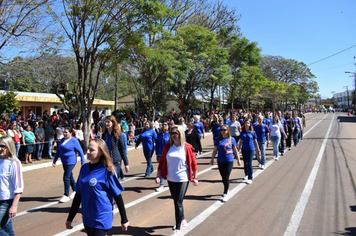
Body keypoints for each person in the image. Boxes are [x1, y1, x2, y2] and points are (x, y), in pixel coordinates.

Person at [65, 139, 129, 235]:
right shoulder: (84, 169)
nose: (87, 152)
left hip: (101, 218)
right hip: (87, 218)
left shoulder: (107, 171)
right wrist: (70, 218)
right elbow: (78, 195)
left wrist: (124, 219)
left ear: (100, 153)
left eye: (92, 150)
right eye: (88, 149)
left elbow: (117, 196)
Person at [156, 125, 198, 236]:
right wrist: (158, 175)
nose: (173, 135)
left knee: (178, 202)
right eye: (171, 133)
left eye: (175, 133)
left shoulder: (187, 147)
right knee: (176, 200)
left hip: (183, 178)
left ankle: (178, 228)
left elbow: (193, 164)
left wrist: (195, 177)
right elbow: (161, 162)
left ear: (180, 134)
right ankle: (182, 219)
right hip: (171, 178)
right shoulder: (167, 147)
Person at [53, 127, 85, 203]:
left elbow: (80, 151)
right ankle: (75, 190)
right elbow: (58, 151)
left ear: (70, 133)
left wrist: (82, 161)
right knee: (70, 176)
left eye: (66, 132)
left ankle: (66, 195)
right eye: (64, 132)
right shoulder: (62, 140)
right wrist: (55, 160)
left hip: (71, 161)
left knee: (66, 177)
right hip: (64, 161)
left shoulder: (74, 140)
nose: (65, 134)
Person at [0, 136, 24, 235]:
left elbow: (19, 187)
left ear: (10, 147)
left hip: (7, 201)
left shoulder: (14, 163)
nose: (0, 148)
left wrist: (14, 206)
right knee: (6, 227)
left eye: (3, 146)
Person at [210, 125, 241, 202]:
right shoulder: (218, 140)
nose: (222, 131)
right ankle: (227, 188)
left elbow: (235, 150)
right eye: (221, 130)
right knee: (223, 177)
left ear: (227, 130)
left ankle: (225, 193)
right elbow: (215, 150)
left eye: (224, 130)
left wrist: (238, 159)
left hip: (229, 160)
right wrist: (212, 159)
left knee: (226, 176)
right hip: (220, 160)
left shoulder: (231, 139)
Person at [102, 116, 129, 181]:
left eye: (108, 122)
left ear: (113, 123)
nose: (106, 124)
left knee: (114, 180)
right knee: (107, 179)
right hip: (107, 161)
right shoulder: (104, 135)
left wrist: (126, 163)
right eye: (106, 122)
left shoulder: (118, 134)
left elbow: (122, 149)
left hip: (116, 161)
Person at [238, 119, 260, 184]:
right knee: (245, 163)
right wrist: (238, 149)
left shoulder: (253, 132)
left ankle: (250, 177)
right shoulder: (242, 132)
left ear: (250, 124)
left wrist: (258, 150)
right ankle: (246, 174)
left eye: (248, 123)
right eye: (245, 123)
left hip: (251, 149)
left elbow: (255, 141)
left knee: (249, 163)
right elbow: (240, 141)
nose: (246, 124)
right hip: (244, 149)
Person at [155, 122, 170, 192]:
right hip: (161, 154)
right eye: (163, 125)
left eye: (165, 125)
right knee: (161, 168)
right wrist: (157, 154)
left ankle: (171, 183)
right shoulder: (160, 135)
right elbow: (157, 145)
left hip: (169, 154)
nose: (164, 126)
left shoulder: (170, 135)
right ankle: (161, 184)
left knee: (169, 169)